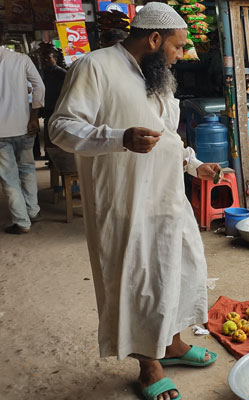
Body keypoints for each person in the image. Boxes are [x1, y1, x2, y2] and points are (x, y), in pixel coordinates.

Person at [49, 3, 222, 399]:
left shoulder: (157, 78)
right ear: (155, 39)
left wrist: (195, 166)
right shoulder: (95, 67)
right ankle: (149, 366)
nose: (181, 56)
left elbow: (166, 135)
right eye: (177, 48)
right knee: (140, 280)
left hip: (168, 196)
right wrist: (118, 137)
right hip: (124, 200)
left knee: (180, 269)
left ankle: (174, 344)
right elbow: (60, 127)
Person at [0, 22, 45, 234]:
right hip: (25, 125)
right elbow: (39, 86)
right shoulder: (20, 59)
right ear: (4, 36)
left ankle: (21, 222)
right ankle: (33, 211)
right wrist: (34, 116)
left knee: (8, 177)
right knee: (27, 169)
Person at [39, 47, 66, 153]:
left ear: (55, 58)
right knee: (48, 135)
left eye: (48, 57)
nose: (45, 60)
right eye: (44, 58)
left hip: (57, 108)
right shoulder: (43, 73)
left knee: (56, 135)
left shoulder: (61, 73)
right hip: (49, 108)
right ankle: (50, 158)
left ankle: (55, 158)